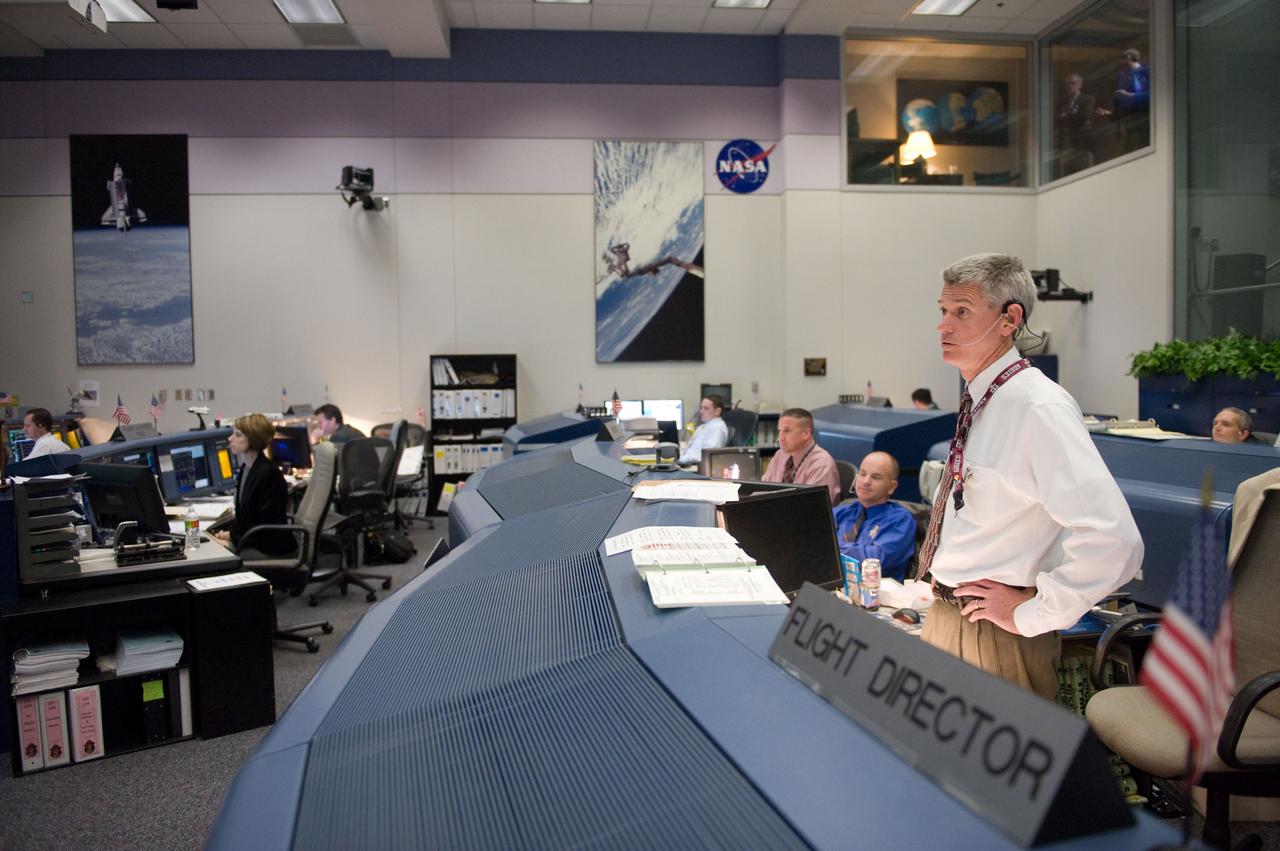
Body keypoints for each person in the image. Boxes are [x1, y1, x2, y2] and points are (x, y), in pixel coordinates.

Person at [918, 253, 1142, 700]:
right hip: (950, 618)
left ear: (1009, 319)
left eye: (961, 311)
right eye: (943, 311)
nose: (943, 326)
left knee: (991, 773)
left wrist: (1034, 612)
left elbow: (1115, 539)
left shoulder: (1037, 407)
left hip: (995, 636)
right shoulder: (986, 400)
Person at [213, 413, 296, 557]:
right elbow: (247, 518)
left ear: (253, 439)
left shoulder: (269, 474)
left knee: (214, 555)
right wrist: (230, 534)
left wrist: (232, 536)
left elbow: (265, 525)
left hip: (268, 548)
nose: (230, 439)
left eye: (237, 435)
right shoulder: (247, 469)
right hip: (253, 540)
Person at [832, 451, 917, 582]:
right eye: (862, 473)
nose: (866, 481)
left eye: (876, 477)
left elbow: (874, 560)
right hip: (834, 589)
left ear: (891, 487)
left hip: (878, 596)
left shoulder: (900, 520)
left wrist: (832, 549)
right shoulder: (842, 511)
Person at [761, 408, 843, 506]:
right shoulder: (780, 455)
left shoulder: (822, 464)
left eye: (787, 431)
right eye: (780, 431)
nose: (780, 437)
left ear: (806, 434)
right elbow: (762, 491)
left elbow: (813, 507)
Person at [1054, 72, 1096, 175]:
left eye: (1073, 83)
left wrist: (1067, 115)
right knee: (1066, 178)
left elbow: (1084, 115)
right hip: (1066, 146)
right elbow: (1056, 119)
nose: (1070, 86)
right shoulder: (1062, 102)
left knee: (1085, 177)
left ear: (1080, 85)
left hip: (1083, 146)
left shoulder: (1087, 99)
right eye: (1068, 84)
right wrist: (1072, 114)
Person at [679, 394, 730, 464]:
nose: (701, 411)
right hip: (687, 463)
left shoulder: (718, 428)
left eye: (706, 408)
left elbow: (706, 455)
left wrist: (679, 459)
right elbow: (691, 449)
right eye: (701, 408)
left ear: (717, 411)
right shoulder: (702, 427)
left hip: (696, 467)